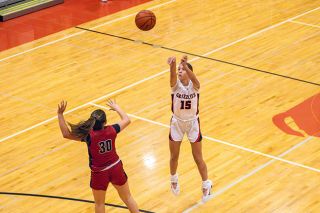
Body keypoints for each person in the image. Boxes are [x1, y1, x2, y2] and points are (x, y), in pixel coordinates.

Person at [57, 100, 139, 213]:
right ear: (105, 122)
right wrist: (117, 107)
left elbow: (66, 134)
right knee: (128, 197)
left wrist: (60, 115)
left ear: (92, 121)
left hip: (99, 172)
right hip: (116, 167)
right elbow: (127, 120)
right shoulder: (112, 130)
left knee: (99, 204)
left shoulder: (88, 136)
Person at [167, 55, 212, 202]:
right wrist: (173, 65)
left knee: (198, 158)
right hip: (177, 123)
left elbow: (196, 80)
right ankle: (173, 179)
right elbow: (172, 78)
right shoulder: (175, 86)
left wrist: (185, 65)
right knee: (174, 156)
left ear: (188, 71)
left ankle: (206, 184)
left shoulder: (195, 86)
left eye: (182, 69)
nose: (180, 71)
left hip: (193, 123)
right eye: (179, 69)